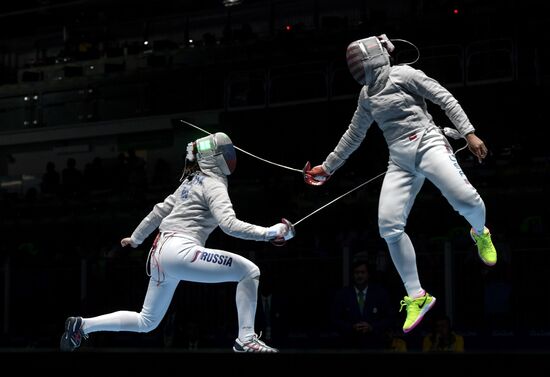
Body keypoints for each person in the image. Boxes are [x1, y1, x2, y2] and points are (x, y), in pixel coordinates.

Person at [304, 34, 497, 333]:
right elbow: (353, 135)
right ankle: (417, 295)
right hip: (400, 160)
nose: (356, 66)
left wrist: (469, 133)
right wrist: (328, 167)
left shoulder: (404, 74)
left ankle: (480, 232)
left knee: (466, 200)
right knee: (389, 226)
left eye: (358, 59)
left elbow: (443, 97)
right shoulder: (366, 97)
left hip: (429, 143)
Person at [60, 132, 294, 353]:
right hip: (180, 251)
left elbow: (158, 211)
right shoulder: (214, 184)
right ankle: (245, 339)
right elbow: (229, 225)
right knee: (249, 271)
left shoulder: (189, 183)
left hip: (159, 254)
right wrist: (269, 233)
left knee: (147, 321)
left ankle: (82, 325)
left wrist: (137, 238)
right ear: (217, 158)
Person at [330, 258, 392, 349]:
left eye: (362, 272)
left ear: (368, 274)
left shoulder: (379, 293)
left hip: (375, 345)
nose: (359, 275)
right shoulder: (343, 294)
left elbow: (390, 318)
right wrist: (351, 327)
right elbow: (334, 319)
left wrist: (372, 327)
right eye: (356, 273)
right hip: (349, 345)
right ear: (353, 275)